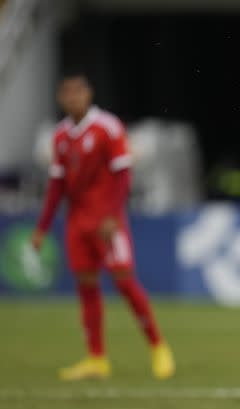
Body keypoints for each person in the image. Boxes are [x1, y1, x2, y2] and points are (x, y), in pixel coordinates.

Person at [31, 72, 175, 381]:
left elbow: (123, 176)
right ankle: (97, 358)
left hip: (108, 223)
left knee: (124, 282)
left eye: (77, 92)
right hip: (77, 223)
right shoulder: (60, 136)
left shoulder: (107, 127)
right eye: (67, 93)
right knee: (86, 287)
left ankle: (158, 347)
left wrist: (112, 215)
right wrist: (42, 228)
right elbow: (56, 186)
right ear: (61, 98)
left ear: (88, 94)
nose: (73, 98)